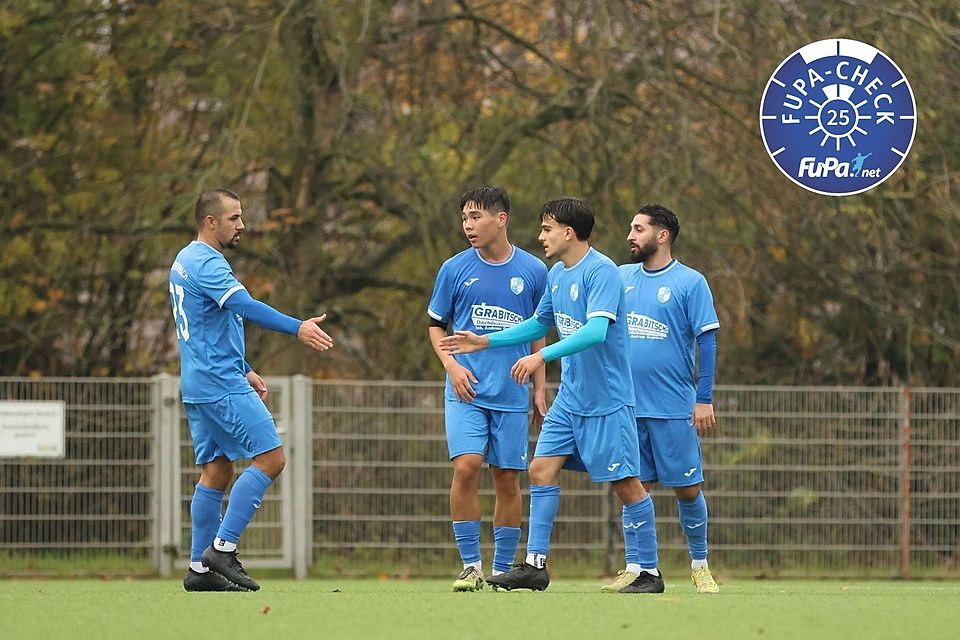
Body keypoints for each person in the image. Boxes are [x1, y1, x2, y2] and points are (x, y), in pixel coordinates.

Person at [441, 197, 662, 593]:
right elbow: (538, 322)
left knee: (626, 483)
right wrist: (483, 342)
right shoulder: (557, 274)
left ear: (568, 232)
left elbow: (595, 332)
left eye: (546, 228)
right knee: (540, 470)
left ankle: (649, 571)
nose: (541, 236)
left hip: (607, 400)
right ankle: (534, 564)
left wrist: (541, 356)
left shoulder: (602, 272)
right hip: (570, 399)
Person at [169, 188, 333, 592]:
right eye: (234, 218)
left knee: (217, 469)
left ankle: (199, 570)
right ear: (211, 221)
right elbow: (244, 306)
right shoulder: (208, 262)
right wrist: (298, 326)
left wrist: (245, 368)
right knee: (272, 458)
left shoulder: (184, 259)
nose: (242, 225)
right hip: (219, 383)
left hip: (200, 381)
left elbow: (208, 325)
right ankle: (222, 549)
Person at [427, 186, 548, 592]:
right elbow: (435, 325)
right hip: (466, 389)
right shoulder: (454, 268)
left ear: (501, 219)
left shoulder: (534, 271)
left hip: (512, 392)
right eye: (464, 218)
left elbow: (538, 334)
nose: (468, 225)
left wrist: (538, 388)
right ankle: (470, 565)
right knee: (466, 466)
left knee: (508, 479)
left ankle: (500, 571)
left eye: (476, 217)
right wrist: (451, 366)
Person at [610, 203, 721, 594]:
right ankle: (638, 567)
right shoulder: (620, 277)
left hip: (673, 407)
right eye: (630, 228)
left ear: (662, 235)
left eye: (638, 229)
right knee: (632, 486)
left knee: (688, 489)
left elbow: (707, 342)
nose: (630, 235)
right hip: (626, 405)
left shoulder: (690, 282)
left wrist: (702, 398)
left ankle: (700, 564)